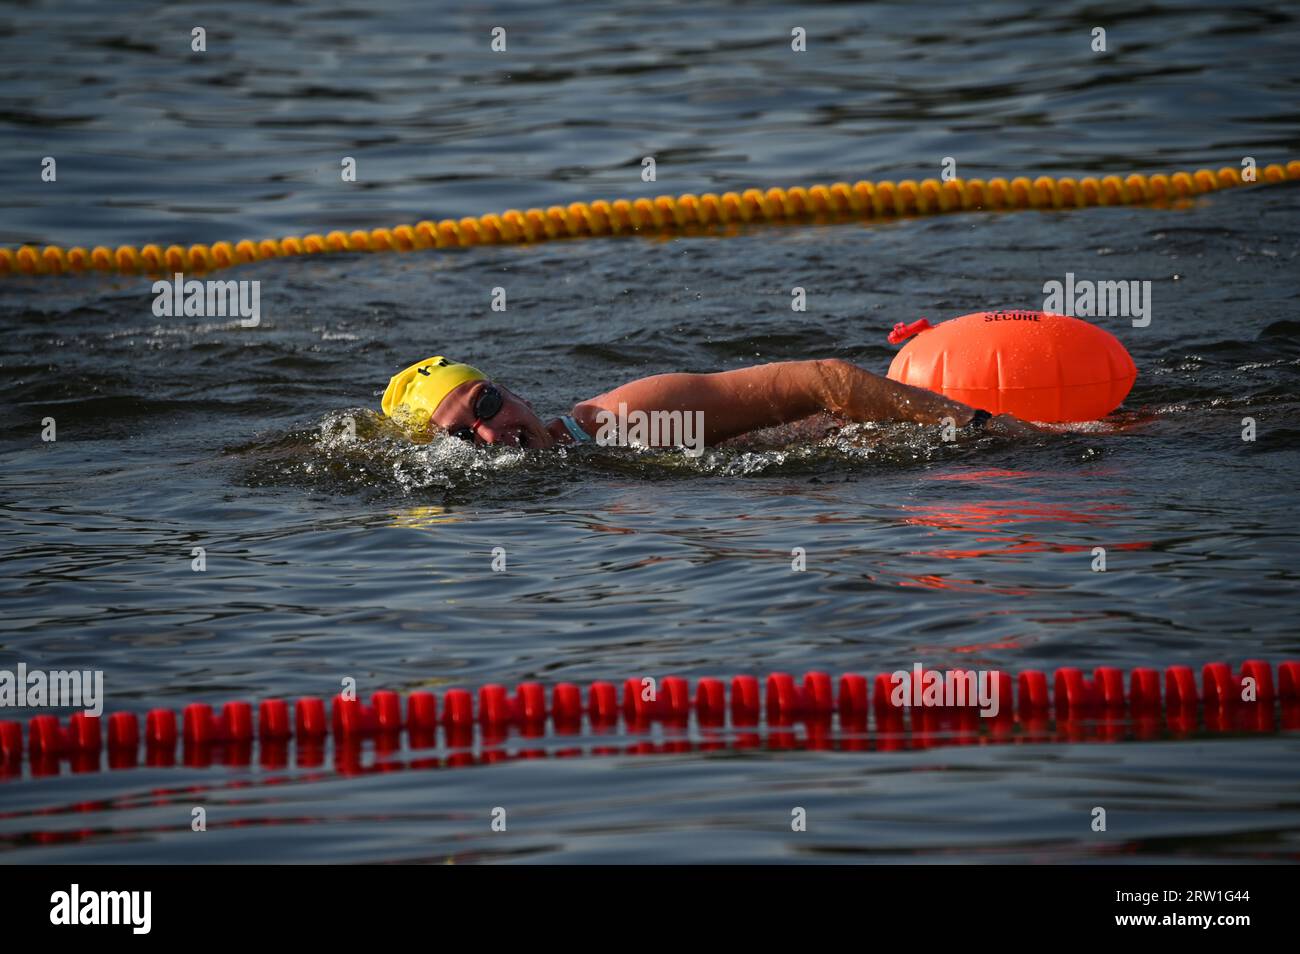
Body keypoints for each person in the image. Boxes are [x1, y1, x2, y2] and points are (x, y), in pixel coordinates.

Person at [380, 355, 1040, 451]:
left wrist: (980, 428)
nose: (494, 432)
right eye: (464, 437)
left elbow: (826, 379)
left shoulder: (625, 421)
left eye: (486, 401)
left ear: (514, 388)